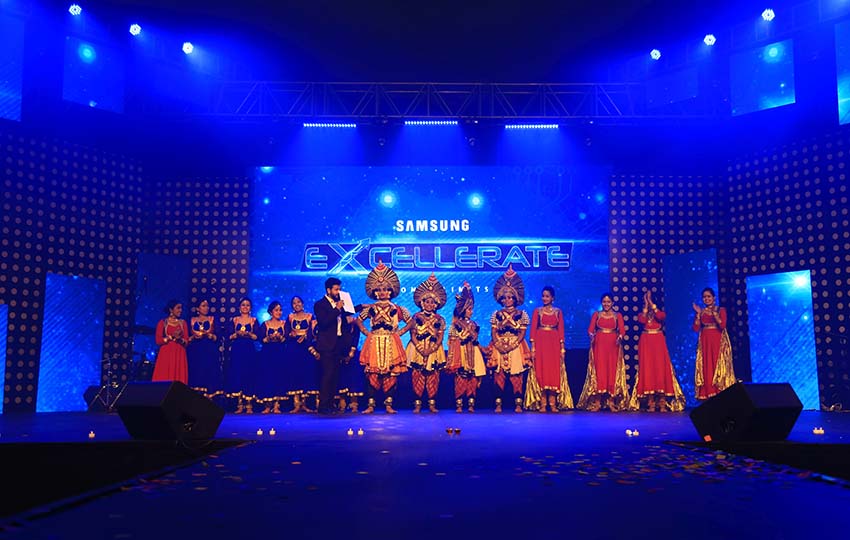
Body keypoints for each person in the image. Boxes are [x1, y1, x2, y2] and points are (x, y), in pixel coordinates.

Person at [356, 261, 411, 414]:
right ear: (375, 292)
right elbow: (358, 320)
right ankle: (370, 405)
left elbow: (411, 322)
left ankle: (389, 405)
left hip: (391, 342)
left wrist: (399, 333)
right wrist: (367, 333)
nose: (382, 292)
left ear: (390, 291)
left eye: (385, 289)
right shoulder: (370, 308)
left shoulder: (398, 309)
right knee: (372, 373)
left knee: (391, 373)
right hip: (374, 342)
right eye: (379, 290)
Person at [628, 291, 685, 411]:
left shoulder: (659, 313)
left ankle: (662, 402)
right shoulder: (642, 314)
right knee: (648, 369)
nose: (648, 303)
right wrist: (646, 304)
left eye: (650, 300)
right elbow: (642, 320)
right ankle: (651, 403)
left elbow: (661, 316)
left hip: (658, 341)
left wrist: (651, 302)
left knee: (660, 369)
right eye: (646, 300)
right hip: (646, 341)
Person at [487, 266, 532, 413]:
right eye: (505, 297)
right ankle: (498, 404)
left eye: (510, 297)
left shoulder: (521, 314)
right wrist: (498, 344)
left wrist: (513, 344)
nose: (507, 300)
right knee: (498, 375)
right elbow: (493, 332)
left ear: (515, 298)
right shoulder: (497, 314)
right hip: (499, 345)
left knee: (516, 375)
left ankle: (518, 404)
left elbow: (522, 333)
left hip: (515, 345)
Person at [525, 286, 574, 412]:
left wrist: (562, 348)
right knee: (541, 371)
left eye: (547, 296)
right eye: (543, 296)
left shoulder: (558, 312)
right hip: (541, 343)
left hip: (554, 344)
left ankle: (552, 404)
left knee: (553, 372)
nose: (544, 298)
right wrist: (533, 348)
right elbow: (533, 330)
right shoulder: (537, 311)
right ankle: (543, 404)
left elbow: (561, 329)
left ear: (552, 298)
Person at [577, 293, 628, 412]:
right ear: (601, 303)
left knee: (611, 372)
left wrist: (620, 337)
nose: (606, 304)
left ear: (612, 303)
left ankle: (611, 402)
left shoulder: (617, 315)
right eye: (604, 302)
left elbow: (622, 330)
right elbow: (590, 329)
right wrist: (591, 335)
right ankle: (597, 403)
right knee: (600, 371)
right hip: (599, 345)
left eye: (608, 302)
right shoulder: (597, 315)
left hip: (613, 346)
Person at [406, 274, 448, 414]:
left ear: (436, 305)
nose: (429, 305)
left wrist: (432, 349)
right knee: (417, 376)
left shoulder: (440, 319)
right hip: (417, 348)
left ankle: (431, 404)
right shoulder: (416, 317)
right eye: (427, 302)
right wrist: (419, 347)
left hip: (434, 349)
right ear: (422, 303)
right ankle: (417, 404)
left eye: (432, 302)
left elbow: (441, 336)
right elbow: (412, 334)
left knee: (433, 377)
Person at [446, 282, 488, 413]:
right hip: (462, 352)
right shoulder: (456, 324)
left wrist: (480, 346)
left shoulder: (474, 324)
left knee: (473, 378)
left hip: (473, 352)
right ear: (463, 309)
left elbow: (475, 339)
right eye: (469, 309)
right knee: (460, 377)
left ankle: (471, 404)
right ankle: (459, 404)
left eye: (472, 309)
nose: (471, 311)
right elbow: (451, 341)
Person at [313, 277, 353, 415]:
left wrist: (362, 307)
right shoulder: (320, 304)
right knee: (327, 375)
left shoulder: (339, 304)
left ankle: (331, 404)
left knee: (335, 376)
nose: (338, 292)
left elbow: (348, 315)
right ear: (328, 290)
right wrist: (337, 309)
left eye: (339, 289)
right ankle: (323, 405)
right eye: (336, 289)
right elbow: (324, 322)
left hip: (338, 345)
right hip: (327, 345)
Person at [693, 287, 736, 400]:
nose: (706, 299)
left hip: (717, 340)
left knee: (717, 364)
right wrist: (698, 315)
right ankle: (709, 393)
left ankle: (720, 391)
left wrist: (716, 316)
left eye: (709, 296)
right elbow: (695, 328)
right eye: (704, 297)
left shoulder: (720, 310)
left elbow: (722, 326)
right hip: (705, 342)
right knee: (706, 365)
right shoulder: (701, 312)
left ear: (714, 298)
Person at [284, 296, 319, 413]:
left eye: (298, 302)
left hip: (306, 348)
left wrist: (306, 336)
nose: (296, 304)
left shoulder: (310, 317)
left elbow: (314, 331)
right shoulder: (290, 317)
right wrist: (291, 334)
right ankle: (296, 403)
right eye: (294, 303)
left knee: (306, 373)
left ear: (302, 304)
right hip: (294, 349)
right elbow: (285, 333)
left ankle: (305, 403)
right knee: (295, 373)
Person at [228, 298, 259, 414]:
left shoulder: (254, 320)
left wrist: (249, 334)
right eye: (243, 305)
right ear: (239, 307)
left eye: (247, 305)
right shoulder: (234, 320)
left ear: (250, 308)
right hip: (237, 350)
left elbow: (257, 337)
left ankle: (249, 404)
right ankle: (240, 404)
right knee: (237, 375)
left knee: (248, 374)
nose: (245, 307)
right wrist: (237, 334)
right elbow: (229, 336)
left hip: (249, 350)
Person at [186, 298, 221, 396]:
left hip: (209, 350)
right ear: (197, 308)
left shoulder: (212, 319)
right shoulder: (191, 320)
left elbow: (219, 336)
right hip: (195, 351)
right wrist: (194, 337)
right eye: (203, 306)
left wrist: (210, 335)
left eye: (207, 306)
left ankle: (210, 396)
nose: (206, 308)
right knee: (196, 371)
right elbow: (187, 337)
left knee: (210, 371)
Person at [258, 301, 287, 414]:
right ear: (271, 312)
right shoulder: (265, 324)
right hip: (268, 353)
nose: (279, 312)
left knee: (279, 377)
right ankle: (267, 405)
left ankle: (276, 405)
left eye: (280, 310)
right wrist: (269, 338)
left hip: (280, 353)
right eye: (276, 310)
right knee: (268, 377)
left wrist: (280, 338)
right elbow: (261, 339)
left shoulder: (284, 324)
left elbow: (287, 339)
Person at [152, 299, 189, 385]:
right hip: (166, 353)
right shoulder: (163, 323)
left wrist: (179, 339)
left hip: (179, 354)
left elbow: (186, 341)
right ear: (171, 310)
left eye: (181, 308)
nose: (180, 310)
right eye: (178, 308)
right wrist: (171, 337)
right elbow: (158, 341)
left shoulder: (183, 323)